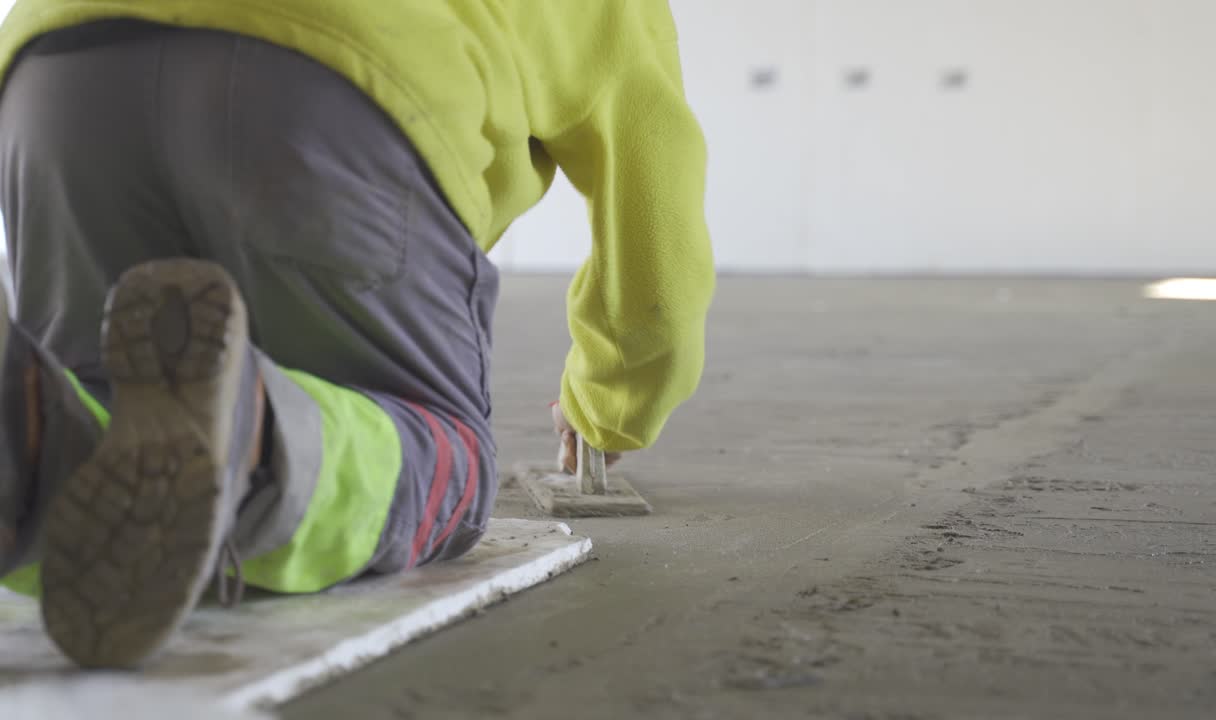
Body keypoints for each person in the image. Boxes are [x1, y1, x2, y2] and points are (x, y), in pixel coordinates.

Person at [0, 0, 714, 669]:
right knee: (441, 460)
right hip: (331, 76)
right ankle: (252, 450)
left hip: (58, 71)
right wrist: (614, 406)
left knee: (88, 395)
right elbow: (653, 210)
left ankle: (34, 449)